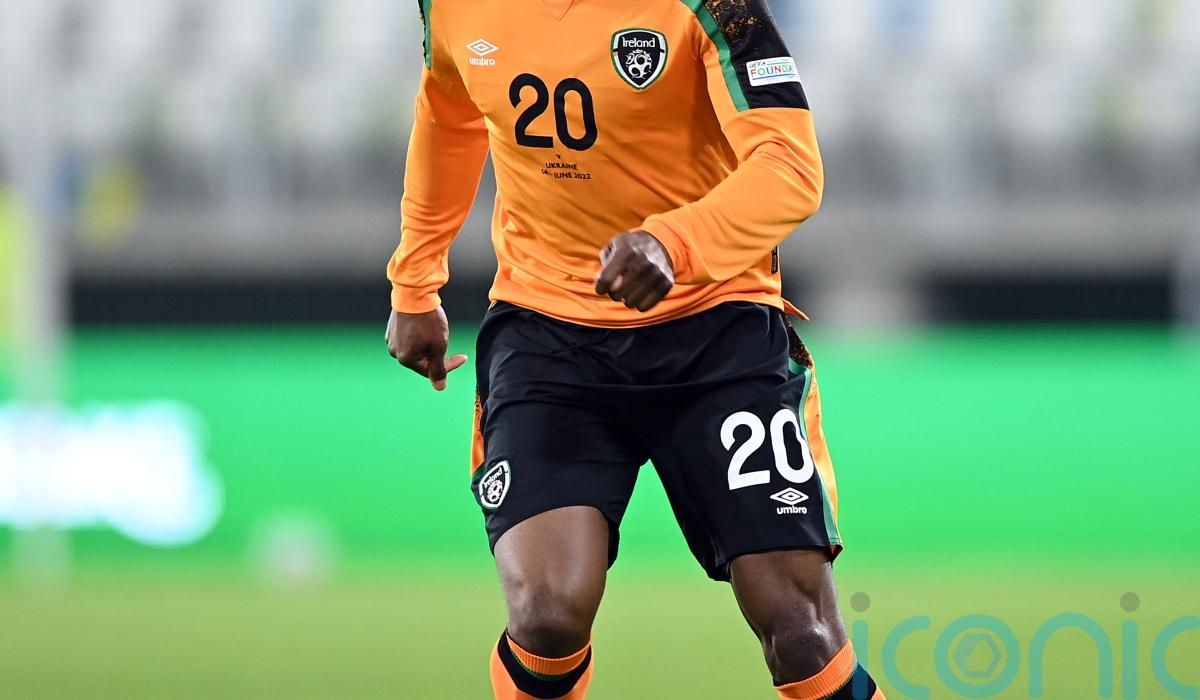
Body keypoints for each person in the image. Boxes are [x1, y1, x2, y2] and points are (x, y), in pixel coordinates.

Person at [385, 1, 886, 698]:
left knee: (799, 630)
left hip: (716, 330)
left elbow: (790, 166)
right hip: (548, 334)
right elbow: (449, 110)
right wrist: (415, 280)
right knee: (546, 615)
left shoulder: (717, 6)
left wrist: (672, 244)